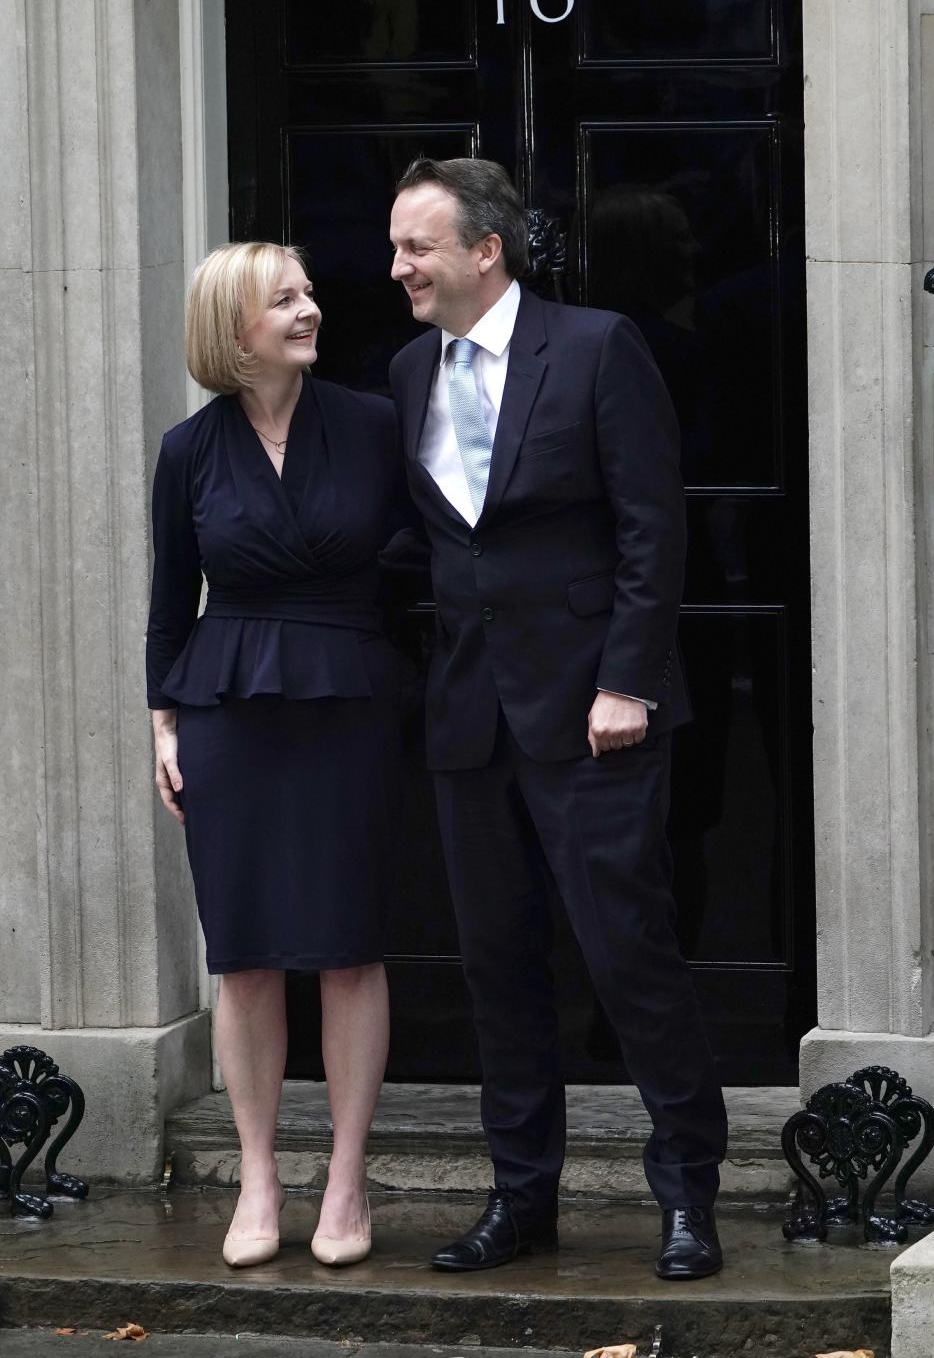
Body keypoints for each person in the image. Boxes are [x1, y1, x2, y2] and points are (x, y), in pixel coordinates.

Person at [388, 158, 728, 1281]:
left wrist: (626, 681)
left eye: (416, 248)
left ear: (486, 250)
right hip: (471, 718)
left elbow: (652, 528)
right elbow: (431, 542)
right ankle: (520, 1197)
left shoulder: (595, 349)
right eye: (397, 248)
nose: (397, 268)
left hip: (596, 715)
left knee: (629, 955)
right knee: (498, 966)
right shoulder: (404, 374)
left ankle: (687, 1192)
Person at [147, 242, 400, 1271]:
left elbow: (424, 557)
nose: (310, 309)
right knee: (244, 954)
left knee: (347, 945)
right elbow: (171, 600)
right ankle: (259, 1176)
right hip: (230, 708)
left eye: (305, 293)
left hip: (349, 699)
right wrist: (163, 725)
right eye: (283, 298)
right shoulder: (188, 450)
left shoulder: (374, 424)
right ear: (232, 328)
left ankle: (347, 1178)